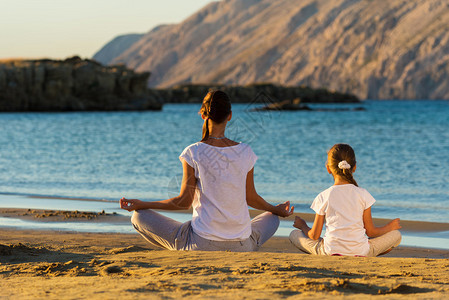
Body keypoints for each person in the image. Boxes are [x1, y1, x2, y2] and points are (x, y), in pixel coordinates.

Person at [120, 90, 294, 251]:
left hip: (201, 243)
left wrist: (142, 204)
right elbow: (251, 198)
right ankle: (247, 240)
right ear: (230, 116)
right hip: (242, 244)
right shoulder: (245, 151)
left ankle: (183, 245)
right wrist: (276, 210)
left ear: (203, 115)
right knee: (272, 217)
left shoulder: (193, 152)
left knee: (138, 217)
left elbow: (182, 202)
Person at [289, 143, 401, 257]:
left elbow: (314, 235)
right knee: (396, 235)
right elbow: (371, 232)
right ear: (355, 167)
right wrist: (390, 227)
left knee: (294, 234)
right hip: (361, 251)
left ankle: (333, 250)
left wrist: (302, 225)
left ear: (328, 168)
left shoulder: (324, 196)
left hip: (329, 251)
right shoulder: (363, 194)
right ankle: (366, 252)